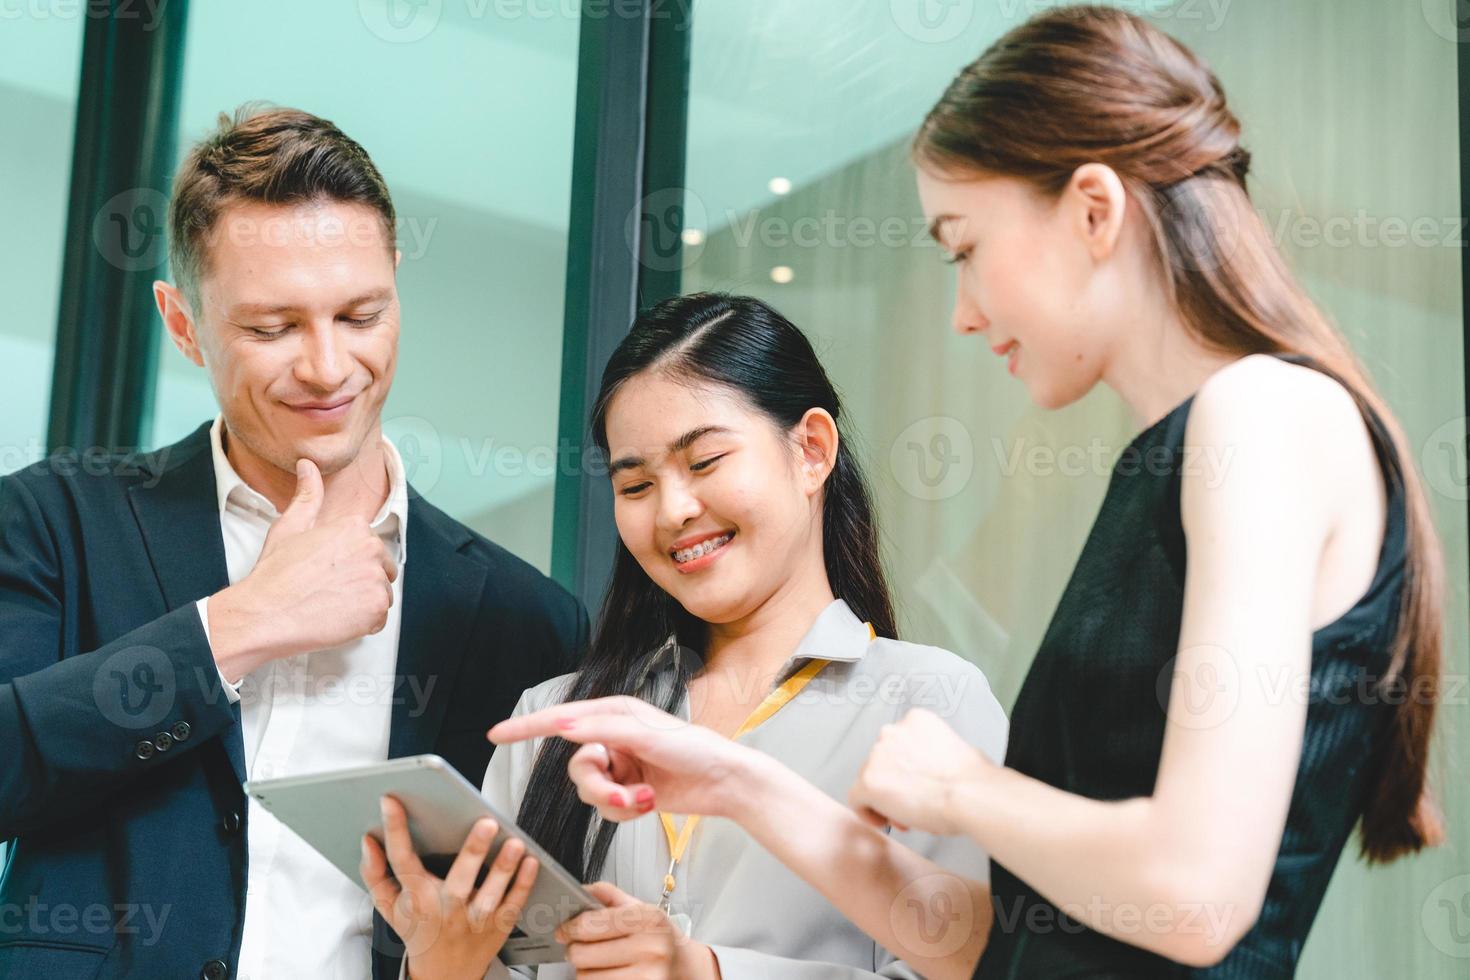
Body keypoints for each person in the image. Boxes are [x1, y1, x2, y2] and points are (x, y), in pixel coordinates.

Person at [489, 7, 1446, 979]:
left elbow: (1198, 895)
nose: (964, 310)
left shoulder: (1260, 415)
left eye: (965, 246)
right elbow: (991, 943)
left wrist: (962, 787)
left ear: (1093, 210)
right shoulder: (1180, 453)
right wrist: (736, 781)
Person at [0, 105, 588, 980]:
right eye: (271, 328)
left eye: (359, 315)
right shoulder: (56, 519)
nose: (325, 367)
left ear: (397, 285)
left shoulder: (526, 618)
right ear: (182, 323)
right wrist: (238, 626)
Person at [363, 292, 1009, 979]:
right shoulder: (556, 723)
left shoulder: (928, 703)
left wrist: (705, 971)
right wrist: (440, 964)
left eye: (704, 463)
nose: (673, 511)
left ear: (812, 450)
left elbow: (978, 970)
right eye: (636, 486)